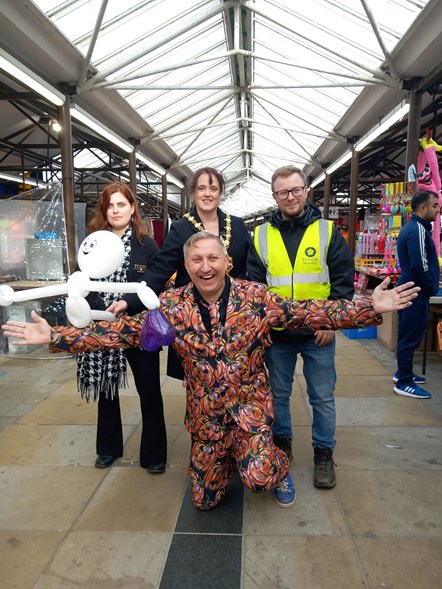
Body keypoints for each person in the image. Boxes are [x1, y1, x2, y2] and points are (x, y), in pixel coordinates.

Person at [2, 232, 419, 511]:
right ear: (186, 264)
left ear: (227, 262)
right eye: (197, 259)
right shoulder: (171, 306)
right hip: (206, 418)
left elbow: (307, 311)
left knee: (257, 478)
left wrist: (369, 306)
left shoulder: (257, 298)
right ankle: (225, 460)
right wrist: (55, 337)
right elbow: (122, 334)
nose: (206, 266)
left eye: (213, 258)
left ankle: (272, 462)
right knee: (203, 500)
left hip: (250, 411)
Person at [247, 165, 355, 490]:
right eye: (283, 192)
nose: (290, 196)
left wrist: (331, 321)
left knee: (321, 397)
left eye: (296, 190)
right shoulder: (261, 235)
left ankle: (323, 453)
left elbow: (343, 280)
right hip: (278, 335)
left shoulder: (327, 231)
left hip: (317, 334)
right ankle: (282, 445)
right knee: (278, 395)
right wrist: (263, 322)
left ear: (306, 191)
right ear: (274, 196)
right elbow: (253, 284)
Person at [108, 167, 252, 379]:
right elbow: (160, 268)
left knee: (236, 372)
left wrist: (255, 310)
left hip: (233, 314)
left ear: (221, 192)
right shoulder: (181, 227)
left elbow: (252, 269)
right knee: (199, 378)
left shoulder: (238, 226)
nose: (207, 193)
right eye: (201, 188)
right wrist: (129, 300)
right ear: (193, 192)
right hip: (195, 315)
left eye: (213, 188)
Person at [79, 182, 167, 473]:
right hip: (102, 325)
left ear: (132, 209)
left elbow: (155, 282)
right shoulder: (93, 243)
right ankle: (108, 448)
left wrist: (128, 303)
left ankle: (153, 455)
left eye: (121, 205)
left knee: (149, 390)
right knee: (107, 389)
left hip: (137, 327)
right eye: (110, 205)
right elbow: (82, 280)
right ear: (104, 210)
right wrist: (97, 310)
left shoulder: (146, 244)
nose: (115, 210)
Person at [393, 189, 440, 399]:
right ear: (423, 207)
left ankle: (403, 373)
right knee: (410, 336)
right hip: (414, 291)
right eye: (435, 206)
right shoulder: (418, 230)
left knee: (408, 333)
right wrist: (431, 287)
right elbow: (419, 264)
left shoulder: (414, 228)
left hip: (412, 289)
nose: (437, 211)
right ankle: (404, 381)